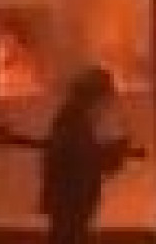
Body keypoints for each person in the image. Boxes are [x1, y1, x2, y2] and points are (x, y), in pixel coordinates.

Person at [40, 66, 141, 244]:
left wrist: (113, 152)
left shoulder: (75, 119)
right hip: (71, 198)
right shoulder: (72, 121)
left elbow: (88, 158)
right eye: (103, 98)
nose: (105, 105)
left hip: (71, 199)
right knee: (69, 235)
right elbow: (83, 160)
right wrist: (114, 151)